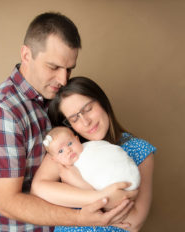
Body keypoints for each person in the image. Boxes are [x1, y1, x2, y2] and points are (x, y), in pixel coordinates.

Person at [0, 12, 135, 232]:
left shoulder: (59, 101)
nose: (63, 80)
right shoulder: (0, 112)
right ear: (26, 55)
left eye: (69, 69)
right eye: (54, 67)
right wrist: (83, 217)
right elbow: (9, 204)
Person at [31, 76, 157, 232]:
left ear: (102, 101)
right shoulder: (69, 150)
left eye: (88, 109)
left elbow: (134, 222)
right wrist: (102, 197)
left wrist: (79, 185)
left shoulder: (139, 149)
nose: (85, 122)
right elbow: (38, 189)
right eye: (74, 118)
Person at [41, 126, 140, 194]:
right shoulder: (66, 173)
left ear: (77, 140)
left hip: (125, 176)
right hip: (106, 193)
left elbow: (113, 153)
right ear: (55, 159)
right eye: (61, 151)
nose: (68, 150)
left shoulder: (94, 146)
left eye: (70, 144)